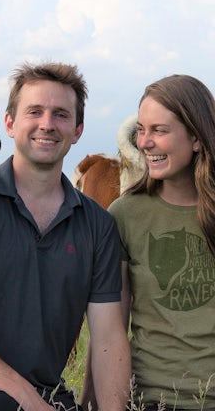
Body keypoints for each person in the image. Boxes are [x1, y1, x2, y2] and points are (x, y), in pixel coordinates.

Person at [0, 61, 131, 411]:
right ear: (10, 123)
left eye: (61, 115)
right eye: (35, 111)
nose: (47, 124)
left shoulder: (98, 225)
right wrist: (27, 400)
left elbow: (107, 338)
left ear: (77, 131)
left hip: (47, 392)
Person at [81, 74, 215, 411]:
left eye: (159, 130)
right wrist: (90, 401)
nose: (144, 142)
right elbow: (110, 330)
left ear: (197, 138)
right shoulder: (126, 214)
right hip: (152, 400)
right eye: (141, 130)